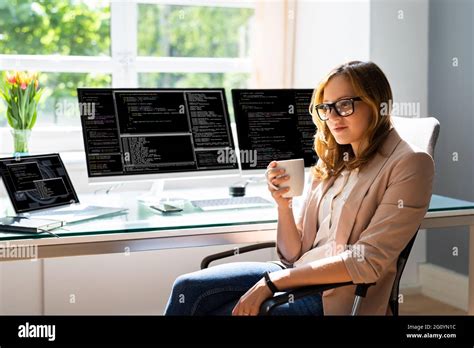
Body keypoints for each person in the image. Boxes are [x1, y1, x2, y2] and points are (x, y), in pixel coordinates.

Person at [164, 61, 434, 316]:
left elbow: (368, 261)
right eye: (326, 108)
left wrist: (272, 283)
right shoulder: (334, 158)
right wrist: (284, 204)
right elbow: (293, 254)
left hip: (335, 293)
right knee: (186, 289)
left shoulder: (410, 164)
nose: (333, 117)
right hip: (294, 273)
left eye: (344, 105)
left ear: (376, 104)